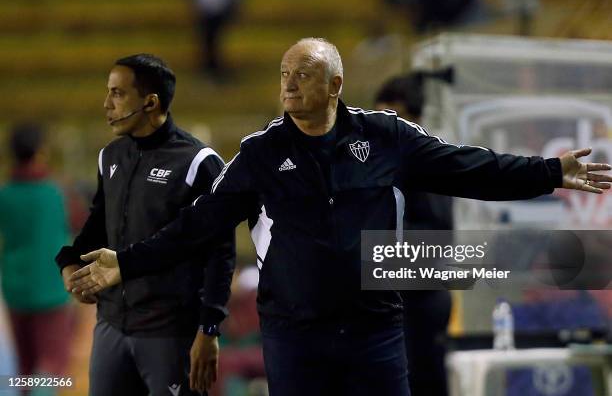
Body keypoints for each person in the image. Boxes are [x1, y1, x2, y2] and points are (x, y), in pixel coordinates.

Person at [70, 38, 612, 396]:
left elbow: (471, 168)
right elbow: (199, 224)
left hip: (374, 331)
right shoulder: (260, 153)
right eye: (284, 74)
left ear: (334, 85)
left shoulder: (385, 137)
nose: (288, 85)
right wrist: (128, 262)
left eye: (303, 75)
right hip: (294, 334)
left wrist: (549, 172)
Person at [55, 54, 235, 395]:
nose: (106, 104)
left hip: (170, 333)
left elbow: (220, 253)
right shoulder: (109, 156)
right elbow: (97, 227)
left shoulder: (199, 162)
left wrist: (209, 329)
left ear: (150, 102)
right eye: (108, 92)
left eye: (118, 94)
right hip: (111, 326)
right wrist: (70, 262)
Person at [375, 73, 452, 396]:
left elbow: (441, 232)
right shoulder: (387, 160)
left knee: (421, 377)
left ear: (416, 118)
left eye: (393, 116)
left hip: (420, 298)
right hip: (395, 295)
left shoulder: (423, 159)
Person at [0, 123, 74, 394]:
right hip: (51, 290)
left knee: (25, 365)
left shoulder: (4, 194)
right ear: (41, 152)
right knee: (51, 366)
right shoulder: (56, 191)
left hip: (15, 288)